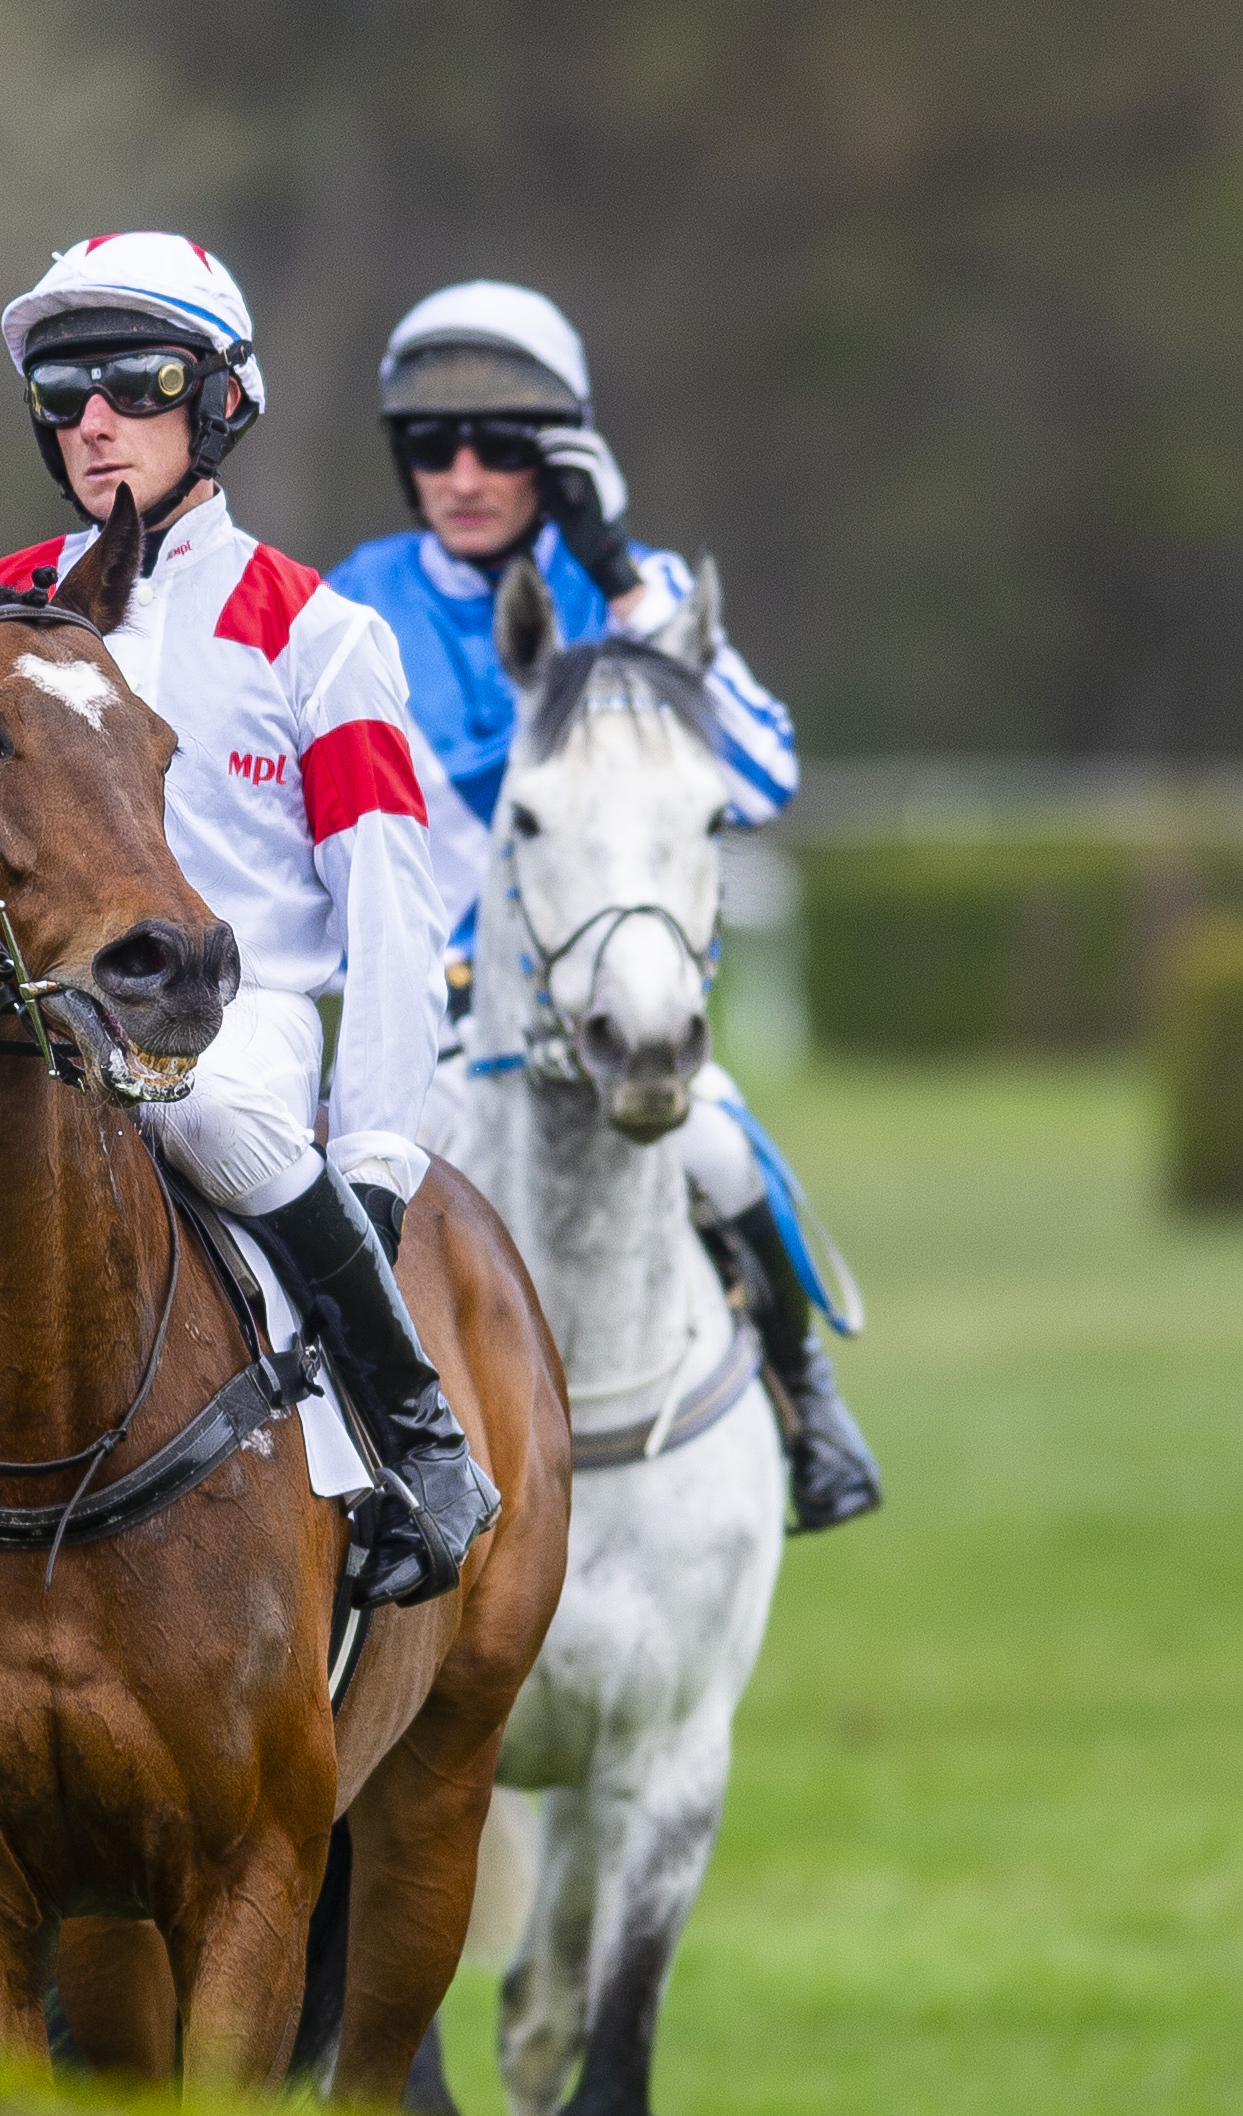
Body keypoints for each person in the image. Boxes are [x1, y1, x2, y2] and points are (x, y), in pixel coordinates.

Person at [0, 231, 494, 1642]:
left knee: (223, 1122)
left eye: (131, 380)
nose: (89, 418)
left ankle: (416, 1447)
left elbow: (394, 925)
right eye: (57, 391)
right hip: (17, 1022)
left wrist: (385, 1157)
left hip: (236, 1015)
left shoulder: (317, 633)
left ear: (215, 399)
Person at [325, 280, 881, 1533]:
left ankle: (808, 1403)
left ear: (562, 455)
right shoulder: (350, 602)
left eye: (502, 447)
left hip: (616, 1003)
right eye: (430, 446)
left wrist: (619, 569)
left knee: (729, 1152)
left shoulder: (633, 594)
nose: (463, 473)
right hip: (424, 1029)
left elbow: (765, 774)